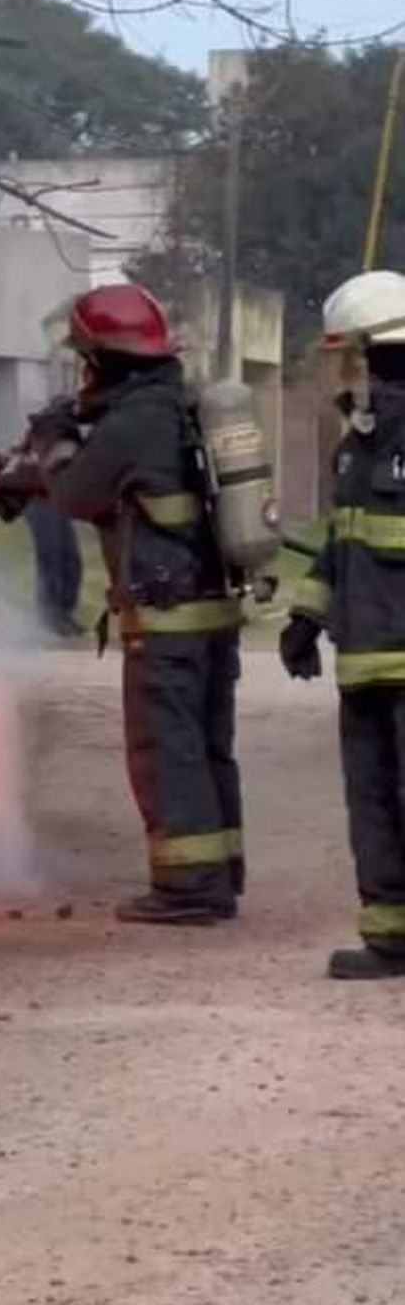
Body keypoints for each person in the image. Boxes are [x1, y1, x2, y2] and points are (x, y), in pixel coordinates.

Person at [25, 283, 245, 924]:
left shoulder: (133, 423)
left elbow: (73, 493)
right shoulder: (175, 406)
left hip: (164, 614)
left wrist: (54, 440)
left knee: (165, 749)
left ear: (107, 359)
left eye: (87, 359)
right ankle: (219, 874)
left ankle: (187, 891)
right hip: (208, 612)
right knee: (206, 747)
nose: (83, 372)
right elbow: (132, 495)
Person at [280, 269, 405, 979]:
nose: (351, 368)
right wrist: (305, 614)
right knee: (374, 804)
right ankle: (390, 940)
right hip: (364, 659)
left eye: (356, 352)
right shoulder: (360, 441)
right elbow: (343, 541)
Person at [24, 495, 84, 639]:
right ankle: (48, 617)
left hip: (58, 501)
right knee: (51, 555)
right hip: (36, 499)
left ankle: (64, 613)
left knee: (72, 558)